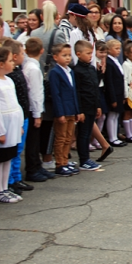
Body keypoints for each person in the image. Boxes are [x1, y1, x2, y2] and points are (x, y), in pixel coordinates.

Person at [0, 47, 25, 203]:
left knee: (8, 157)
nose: (13, 63)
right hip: (3, 124)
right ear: (1, 64)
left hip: (13, 123)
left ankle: (5, 187)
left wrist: (19, 124)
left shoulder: (8, 80)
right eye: (9, 60)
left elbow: (15, 104)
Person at [1, 39, 33, 195]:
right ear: (14, 56)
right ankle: (10, 180)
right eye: (21, 53)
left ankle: (17, 177)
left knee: (19, 149)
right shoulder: (10, 76)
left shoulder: (18, 70)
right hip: (15, 117)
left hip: (23, 114)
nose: (24, 55)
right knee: (14, 150)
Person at [48, 44, 82, 176]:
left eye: (69, 55)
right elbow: (56, 94)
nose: (68, 58)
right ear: (56, 57)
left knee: (68, 137)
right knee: (60, 138)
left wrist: (77, 110)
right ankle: (60, 163)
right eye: (64, 55)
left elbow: (74, 92)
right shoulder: (55, 72)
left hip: (71, 109)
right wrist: (60, 113)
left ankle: (66, 161)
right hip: (62, 110)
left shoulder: (70, 71)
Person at [21, 38, 51, 183]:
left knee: (36, 140)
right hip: (34, 110)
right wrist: (38, 113)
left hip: (34, 109)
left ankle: (37, 166)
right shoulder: (32, 68)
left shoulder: (30, 65)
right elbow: (35, 93)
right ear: (42, 50)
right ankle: (32, 168)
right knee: (33, 141)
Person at [72, 40, 103, 171]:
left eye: (92, 53)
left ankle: (87, 158)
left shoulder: (91, 68)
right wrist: (79, 111)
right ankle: (83, 159)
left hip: (92, 105)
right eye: (88, 53)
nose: (91, 55)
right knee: (83, 134)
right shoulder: (76, 71)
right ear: (78, 54)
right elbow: (77, 91)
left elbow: (95, 88)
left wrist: (98, 105)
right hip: (84, 107)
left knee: (88, 132)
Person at [104, 39, 126, 147]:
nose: (118, 51)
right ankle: (112, 137)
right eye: (116, 48)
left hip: (119, 93)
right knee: (112, 116)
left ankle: (115, 136)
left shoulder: (116, 61)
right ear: (108, 50)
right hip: (114, 94)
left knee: (116, 116)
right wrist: (112, 98)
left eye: (119, 48)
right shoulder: (108, 62)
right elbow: (110, 82)